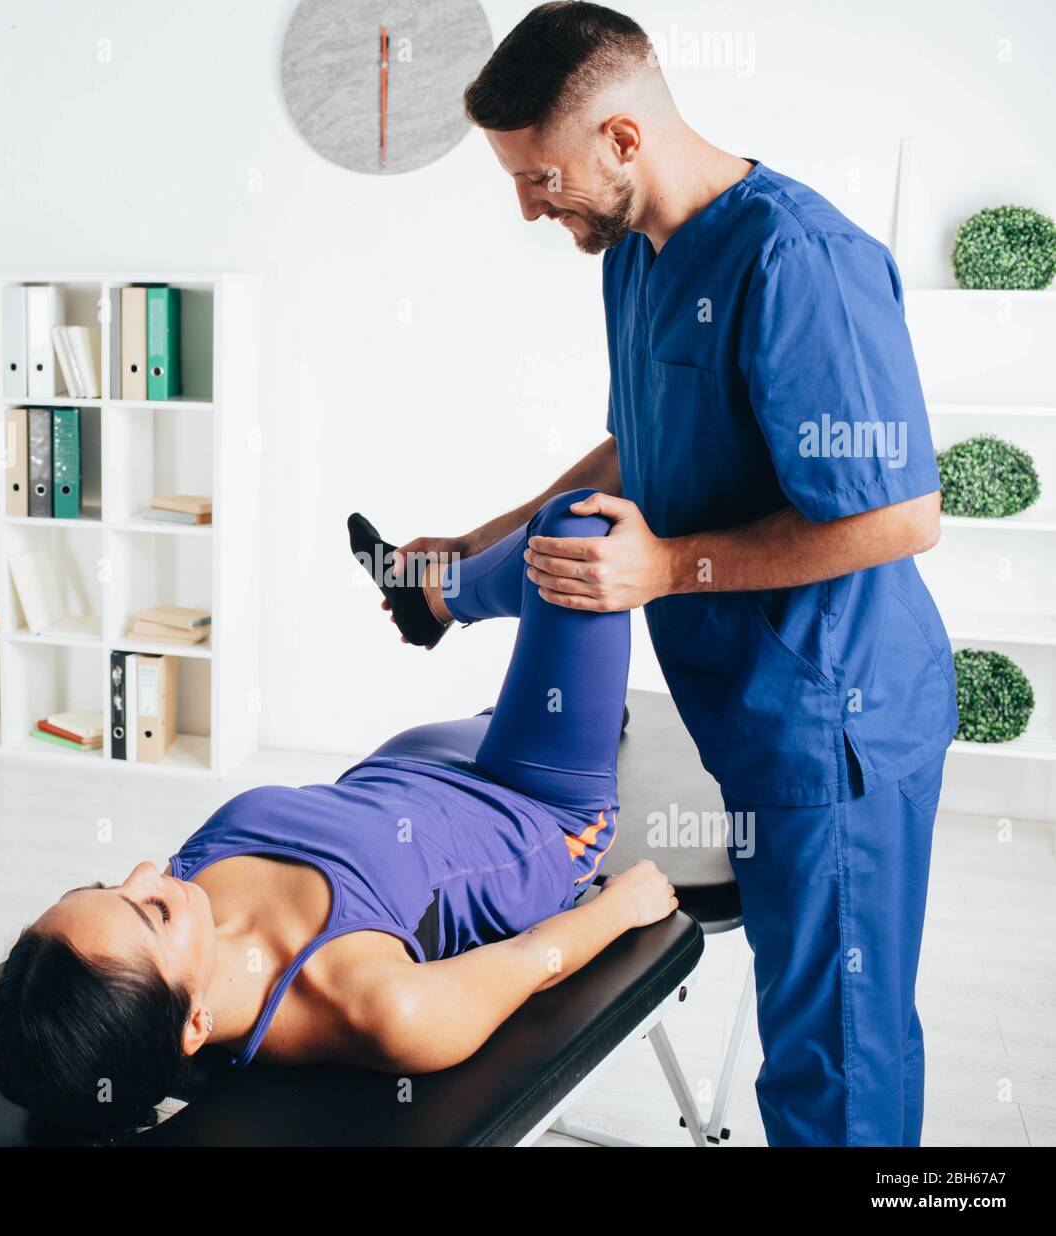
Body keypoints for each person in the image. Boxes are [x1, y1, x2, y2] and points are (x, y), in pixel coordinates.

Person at [389, 2, 957, 1147]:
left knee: (836, 1056)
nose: (525, 204)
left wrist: (665, 565)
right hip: (745, 713)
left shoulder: (801, 260)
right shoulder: (635, 257)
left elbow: (902, 517)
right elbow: (633, 449)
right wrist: (469, 545)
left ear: (621, 138)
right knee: (813, 1031)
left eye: (537, 175)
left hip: (833, 720)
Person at [0, 490, 675, 1137]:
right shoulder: (378, 1007)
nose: (145, 873)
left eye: (111, 888)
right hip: (535, 804)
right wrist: (625, 904)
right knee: (578, 539)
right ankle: (436, 597)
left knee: (565, 627)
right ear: (194, 1024)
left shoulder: (185, 897)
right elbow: (535, 959)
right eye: (150, 911)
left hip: (417, 759)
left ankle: (438, 600)